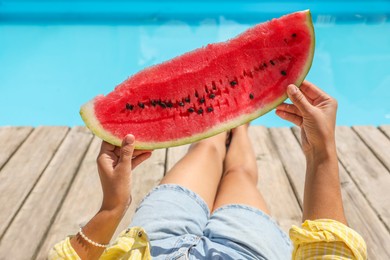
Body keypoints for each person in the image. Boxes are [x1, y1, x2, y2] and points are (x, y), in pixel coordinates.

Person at [50, 81, 367, 259]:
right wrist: (322, 152)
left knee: (204, 147)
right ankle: (239, 124)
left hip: (152, 244)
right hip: (246, 251)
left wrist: (113, 207)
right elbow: (331, 251)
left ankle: (218, 122)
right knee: (239, 174)